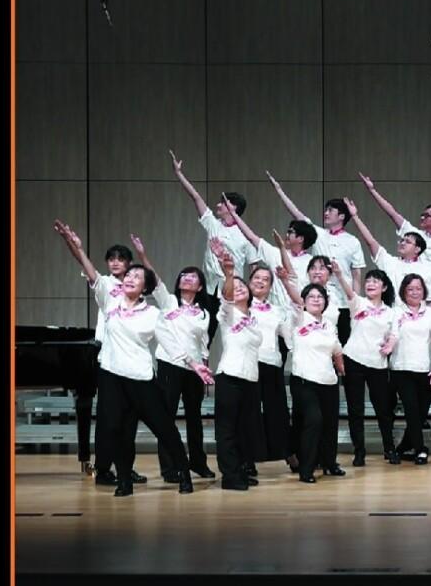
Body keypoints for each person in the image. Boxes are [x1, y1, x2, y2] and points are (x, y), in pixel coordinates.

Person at [53, 221, 200, 497]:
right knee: (116, 429)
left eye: (136, 276)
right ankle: (124, 481)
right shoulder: (109, 301)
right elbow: (89, 270)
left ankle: (183, 473)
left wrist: (195, 365)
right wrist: (75, 246)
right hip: (111, 375)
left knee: (164, 429)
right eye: (128, 275)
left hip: (141, 378)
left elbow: (172, 344)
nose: (129, 278)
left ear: (145, 288)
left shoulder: (152, 314)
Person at [358, 174, 431, 395]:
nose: (402, 241)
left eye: (427, 215)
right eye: (402, 240)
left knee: (426, 352)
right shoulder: (396, 257)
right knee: (393, 356)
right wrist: (370, 194)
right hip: (396, 314)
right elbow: (383, 226)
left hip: (427, 312)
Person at [129, 235, 215, 481]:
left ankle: (198, 462)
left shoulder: (203, 313)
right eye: (183, 275)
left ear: (200, 287)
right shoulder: (168, 302)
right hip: (170, 365)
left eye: (193, 277)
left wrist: (204, 367)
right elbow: (154, 279)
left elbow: (203, 344)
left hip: (194, 369)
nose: (186, 278)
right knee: (166, 417)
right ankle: (169, 468)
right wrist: (142, 254)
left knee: (195, 418)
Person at [266, 171, 366, 345]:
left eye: (330, 210)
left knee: (340, 346)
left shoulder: (353, 241)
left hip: (343, 302)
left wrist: (355, 302)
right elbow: (297, 214)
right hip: (319, 299)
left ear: (342, 216)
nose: (326, 213)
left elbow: (356, 275)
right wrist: (279, 191)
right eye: (326, 210)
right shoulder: (319, 234)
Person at [169, 151, 256, 344]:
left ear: (233, 208)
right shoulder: (213, 224)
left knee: (234, 334)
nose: (218, 205)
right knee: (203, 334)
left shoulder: (245, 233)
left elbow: (254, 264)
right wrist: (179, 174)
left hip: (231, 291)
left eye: (223, 203)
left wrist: (251, 294)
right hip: (208, 289)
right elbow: (196, 198)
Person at [71, 241, 133, 481]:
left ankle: (125, 467)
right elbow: (87, 268)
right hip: (107, 355)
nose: (115, 262)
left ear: (129, 263)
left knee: (129, 417)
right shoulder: (105, 283)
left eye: (120, 258)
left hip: (130, 357)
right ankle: (104, 468)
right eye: (111, 259)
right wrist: (76, 247)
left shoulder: (136, 286)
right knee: (108, 416)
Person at [207, 239, 264, 491]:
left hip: (250, 378)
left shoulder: (253, 317)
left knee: (244, 429)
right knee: (227, 429)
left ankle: (240, 469)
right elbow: (227, 297)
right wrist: (229, 273)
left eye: (243, 286)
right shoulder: (228, 314)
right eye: (235, 286)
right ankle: (229, 476)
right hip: (229, 376)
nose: (239, 289)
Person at [382, 274, 431, 464]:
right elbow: (394, 334)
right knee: (411, 410)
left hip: (426, 369)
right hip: (402, 368)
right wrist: (389, 346)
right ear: (404, 291)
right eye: (410, 289)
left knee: (420, 414)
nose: (414, 292)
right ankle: (421, 449)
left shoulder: (430, 313)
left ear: (424, 291)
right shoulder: (396, 312)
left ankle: (403, 447)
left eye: (418, 288)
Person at [334, 265, 397, 467]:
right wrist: (339, 274)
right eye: (368, 280)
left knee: (383, 409)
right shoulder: (359, 303)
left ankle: (389, 448)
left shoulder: (391, 312)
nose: (370, 284)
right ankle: (359, 451)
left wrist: (390, 345)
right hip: (353, 359)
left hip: (378, 363)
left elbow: (394, 334)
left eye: (375, 281)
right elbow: (348, 290)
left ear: (384, 287)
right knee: (356, 409)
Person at [289, 283, 346, 483]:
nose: (316, 299)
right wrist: (286, 281)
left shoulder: (329, 325)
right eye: (311, 296)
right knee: (314, 421)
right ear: (304, 301)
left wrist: (342, 367)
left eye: (320, 296)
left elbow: (337, 350)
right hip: (304, 380)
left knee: (330, 425)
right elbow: (295, 299)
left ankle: (329, 463)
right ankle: (306, 469)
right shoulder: (299, 318)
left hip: (328, 380)